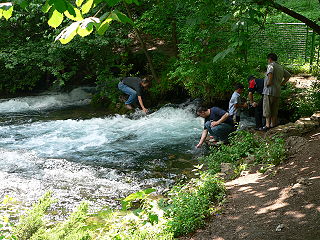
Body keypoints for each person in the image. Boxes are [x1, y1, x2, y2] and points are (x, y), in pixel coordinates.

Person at [262, 53, 291, 130]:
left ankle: (267, 125)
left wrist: (269, 82)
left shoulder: (271, 65)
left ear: (270, 59)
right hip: (277, 91)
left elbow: (270, 73)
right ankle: (273, 124)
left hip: (269, 91)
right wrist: (281, 84)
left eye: (268, 59)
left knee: (267, 108)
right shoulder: (280, 67)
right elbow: (288, 76)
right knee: (274, 109)